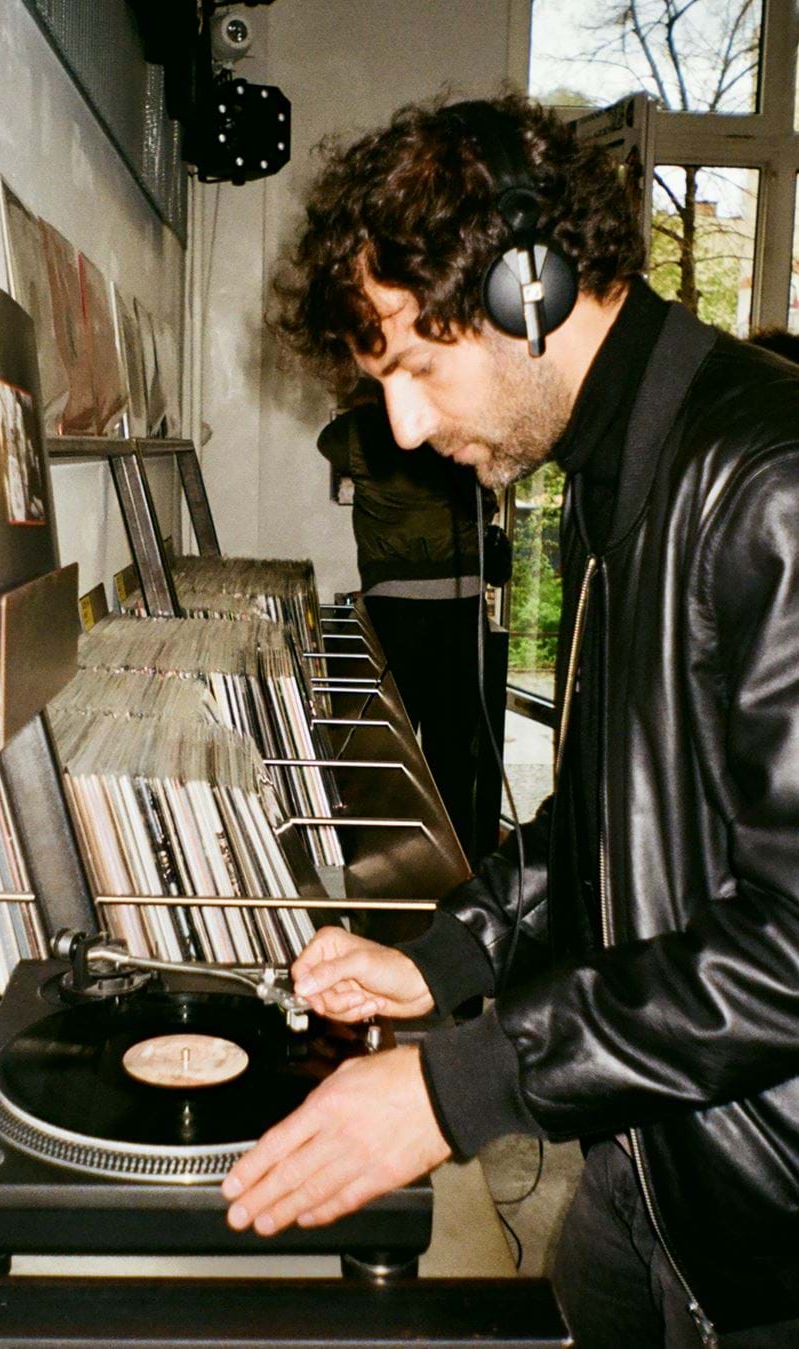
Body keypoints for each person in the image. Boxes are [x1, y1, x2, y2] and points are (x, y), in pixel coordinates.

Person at [222, 93, 799, 1347]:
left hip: (767, 1224)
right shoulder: (617, 472)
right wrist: (445, 957)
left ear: (530, 290)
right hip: (648, 1151)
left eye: (418, 368)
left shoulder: (770, 481)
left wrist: (459, 1085)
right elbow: (608, 809)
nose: (406, 427)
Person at [317, 388, 511, 860]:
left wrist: (372, 402)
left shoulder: (366, 431)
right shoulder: (457, 422)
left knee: (390, 746)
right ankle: (458, 861)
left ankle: (389, 861)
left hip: (394, 602)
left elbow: (328, 441)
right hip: (461, 601)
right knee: (453, 750)